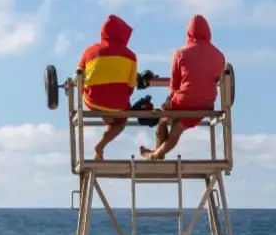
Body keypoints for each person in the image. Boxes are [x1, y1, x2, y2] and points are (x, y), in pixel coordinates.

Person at [140, 14, 226, 161]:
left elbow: (174, 84)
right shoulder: (220, 56)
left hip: (184, 101)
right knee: (176, 130)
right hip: (206, 105)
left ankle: (156, 155)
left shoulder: (180, 53)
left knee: (162, 120)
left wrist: (169, 101)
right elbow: (215, 78)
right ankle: (156, 153)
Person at [77, 14, 138, 160]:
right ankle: (101, 145)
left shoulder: (90, 51)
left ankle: (106, 119)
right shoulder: (131, 56)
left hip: (92, 101)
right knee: (121, 120)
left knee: (105, 105)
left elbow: (79, 75)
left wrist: (83, 95)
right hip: (116, 105)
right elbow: (131, 87)